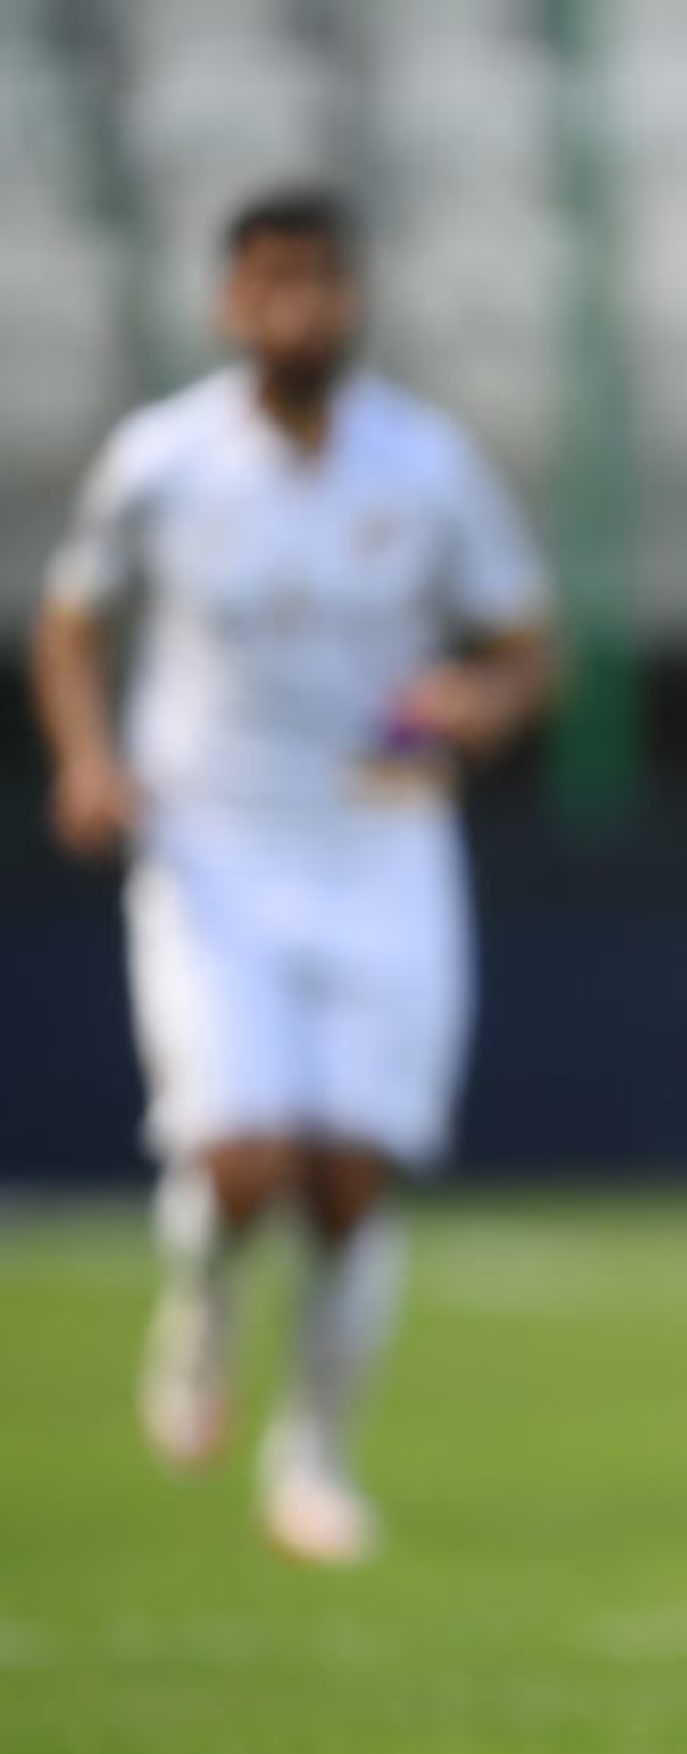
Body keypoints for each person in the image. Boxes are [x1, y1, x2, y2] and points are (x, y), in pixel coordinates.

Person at [28, 186, 554, 1567]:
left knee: (352, 1177)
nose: (298, 308)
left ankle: (311, 1460)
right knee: (247, 1156)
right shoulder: (162, 460)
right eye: (272, 282)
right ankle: (199, 1308)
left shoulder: (423, 463)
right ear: (229, 300)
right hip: (213, 843)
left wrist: (480, 707)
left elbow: (522, 641)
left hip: (382, 840)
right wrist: (87, 759)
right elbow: (72, 624)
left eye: (321, 281)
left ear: (355, 296)